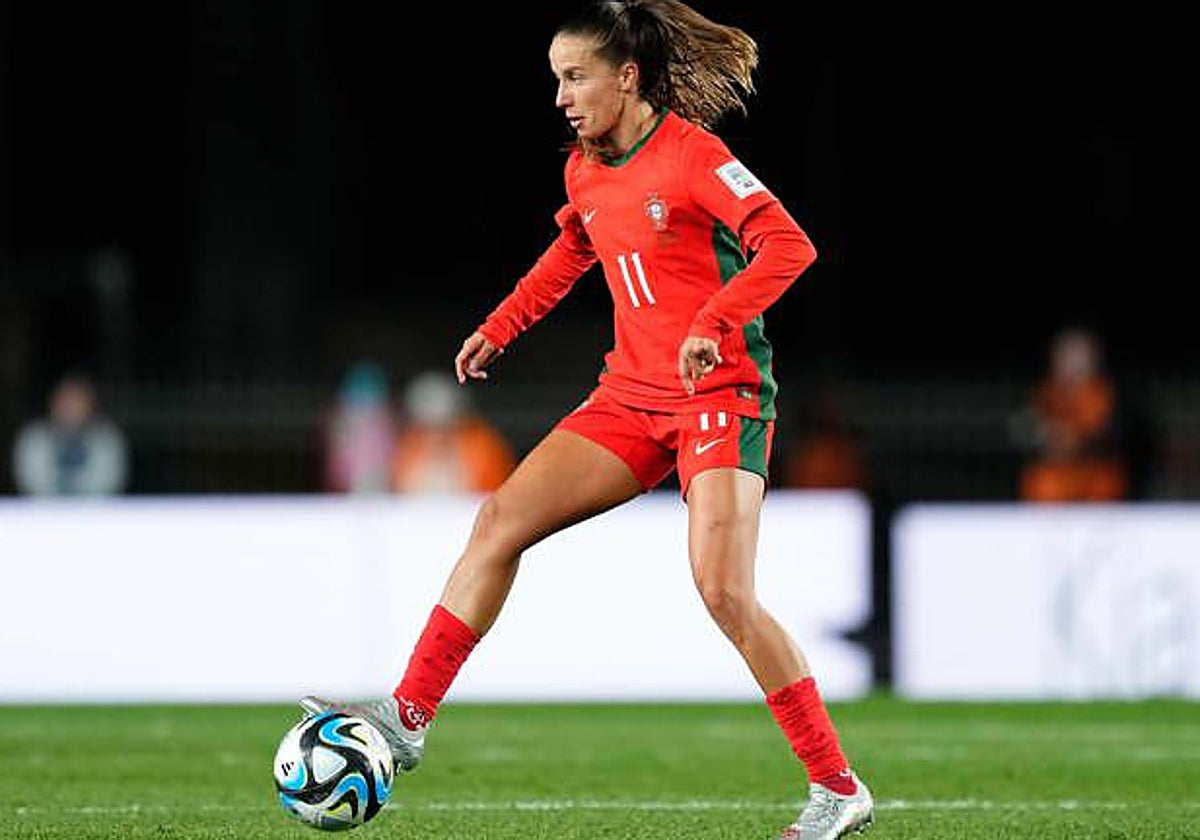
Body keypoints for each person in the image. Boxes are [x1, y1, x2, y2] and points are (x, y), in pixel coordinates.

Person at [302, 3, 872, 837]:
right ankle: (407, 719)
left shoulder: (695, 156)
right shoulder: (586, 168)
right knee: (499, 521)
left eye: (575, 77)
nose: (562, 97)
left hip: (721, 396)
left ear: (627, 77)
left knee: (723, 590)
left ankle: (837, 787)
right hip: (630, 398)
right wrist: (500, 325)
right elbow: (575, 249)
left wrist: (713, 325)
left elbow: (788, 244)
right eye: (556, 80)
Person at [1013, 327, 1127, 503]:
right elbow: (1025, 430)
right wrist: (1044, 436)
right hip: (1055, 480)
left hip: (1094, 479)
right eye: (1067, 356)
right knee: (1042, 483)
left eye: (1079, 357)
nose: (1073, 364)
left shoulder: (1102, 394)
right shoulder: (1045, 393)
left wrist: (1075, 440)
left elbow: (1107, 435)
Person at [390, 370, 516, 494]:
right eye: (429, 428)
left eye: (444, 427)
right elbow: (399, 492)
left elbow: (493, 495)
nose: (437, 437)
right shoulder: (409, 446)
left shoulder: (485, 447)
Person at [12, 373, 129, 496]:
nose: (70, 406)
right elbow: (32, 484)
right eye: (65, 400)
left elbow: (108, 483)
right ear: (53, 403)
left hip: (94, 512)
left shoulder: (106, 438)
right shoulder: (34, 437)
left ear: (91, 405)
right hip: (43, 512)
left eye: (77, 401)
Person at [321, 360, 397, 495]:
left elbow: (389, 450)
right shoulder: (342, 418)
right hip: (349, 482)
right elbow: (339, 451)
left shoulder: (384, 419)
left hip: (378, 478)